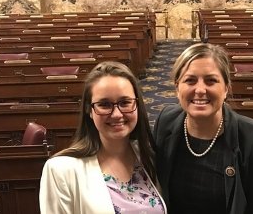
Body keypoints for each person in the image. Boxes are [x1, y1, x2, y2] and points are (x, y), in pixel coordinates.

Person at [152, 43, 253, 214]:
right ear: (177, 88)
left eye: (211, 80)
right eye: (190, 80)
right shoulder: (166, 121)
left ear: (226, 88)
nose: (200, 90)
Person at [40, 61, 167, 214]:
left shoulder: (149, 158)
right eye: (105, 104)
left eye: (125, 102)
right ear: (89, 110)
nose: (116, 114)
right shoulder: (61, 170)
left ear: (137, 105)